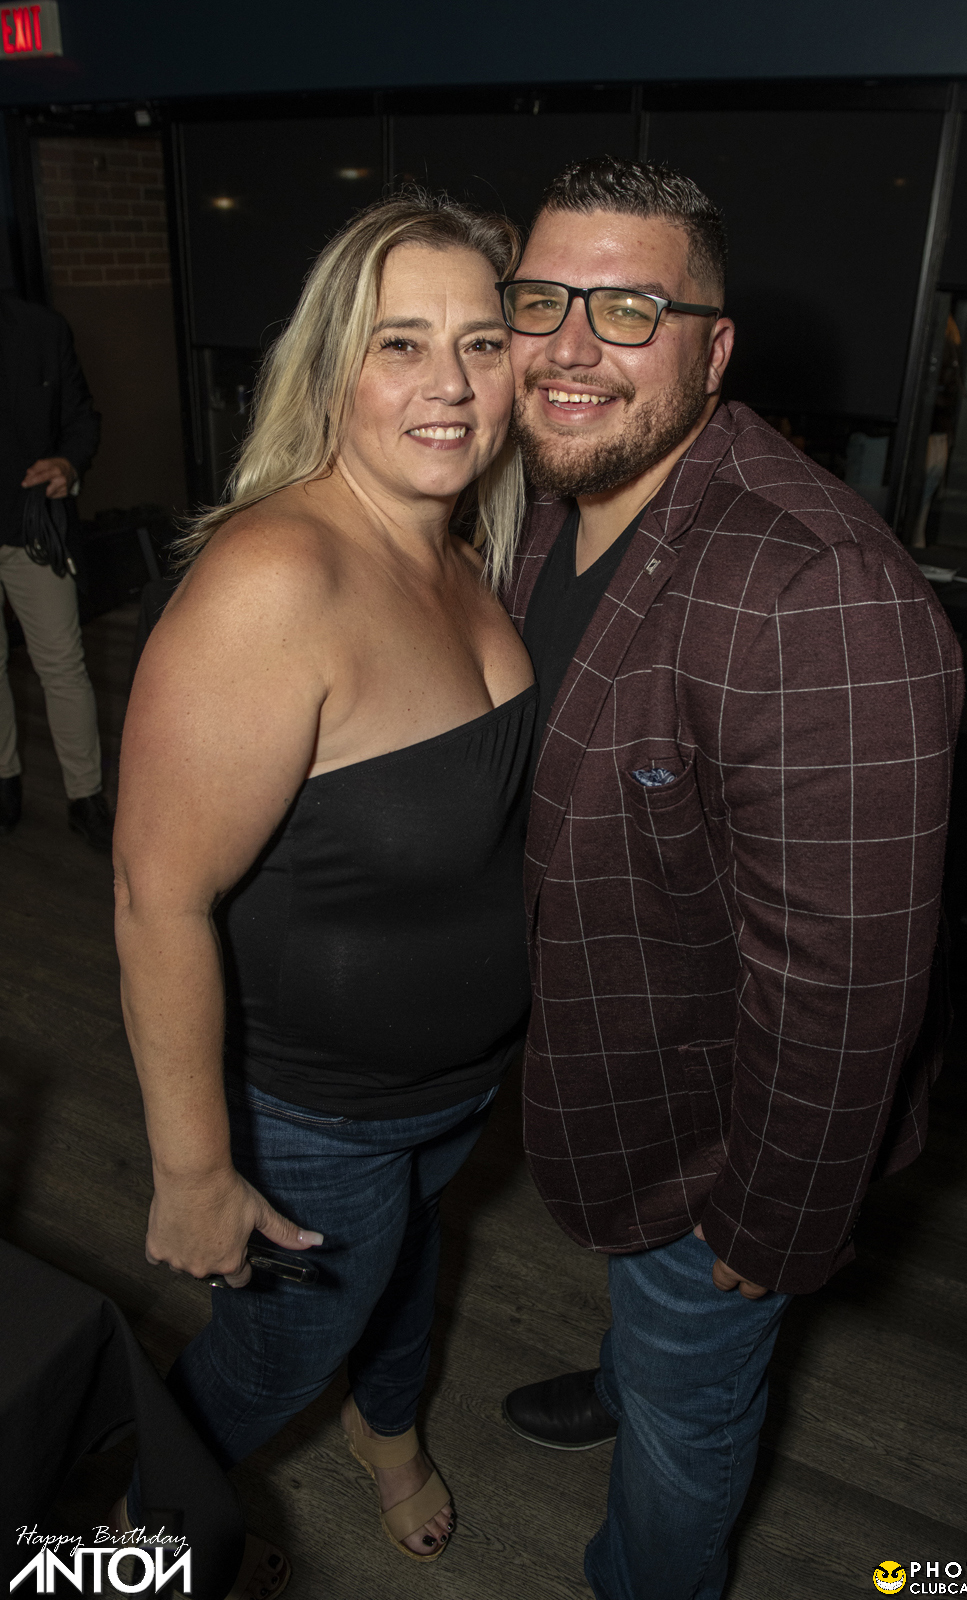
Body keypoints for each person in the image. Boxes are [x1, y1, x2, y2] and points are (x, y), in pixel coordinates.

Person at [496, 157, 963, 1600]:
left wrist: (766, 1224)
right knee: (649, 1349)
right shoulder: (548, 497)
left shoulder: (814, 590)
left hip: (716, 1154)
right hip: (609, 1068)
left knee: (689, 1412)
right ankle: (624, 1373)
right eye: (540, 300)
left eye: (628, 309)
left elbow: (847, 981)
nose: (569, 346)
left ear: (713, 351)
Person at [112, 194, 533, 1596]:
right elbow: (156, 894)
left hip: (454, 1087)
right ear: (329, 368)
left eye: (480, 343)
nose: (447, 384)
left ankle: (385, 1427)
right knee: (274, 1352)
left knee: (405, 1268)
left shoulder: (466, 550)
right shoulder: (275, 579)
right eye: (399, 343)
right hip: (314, 1112)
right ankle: (121, 1544)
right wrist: (192, 1170)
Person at [0, 291, 111, 852]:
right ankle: (4, 784)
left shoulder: (41, 329)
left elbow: (81, 419)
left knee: (62, 665)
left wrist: (68, 463)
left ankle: (86, 796)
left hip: (33, 524)